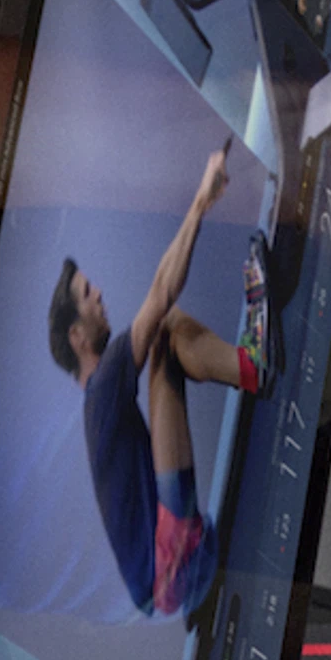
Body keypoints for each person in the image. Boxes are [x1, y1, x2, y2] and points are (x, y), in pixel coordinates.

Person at [49, 144, 271, 622]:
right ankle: (253, 365)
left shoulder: (99, 400)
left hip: (167, 578)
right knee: (164, 322)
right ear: (77, 335)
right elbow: (162, 291)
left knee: (163, 338)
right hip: (170, 572)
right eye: (89, 295)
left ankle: (252, 366)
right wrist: (201, 202)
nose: (100, 293)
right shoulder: (104, 386)